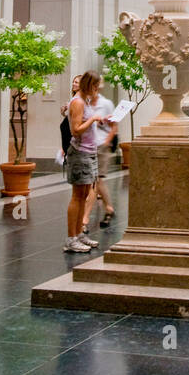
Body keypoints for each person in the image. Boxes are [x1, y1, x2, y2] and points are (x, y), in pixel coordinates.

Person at [63, 71, 105, 252]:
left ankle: (79, 233)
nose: (96, 90)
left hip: (89, 152)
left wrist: (99, 120)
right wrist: (94, 119)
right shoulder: (78, 102)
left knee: (85, 194)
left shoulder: (85, 101)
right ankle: (71, 238)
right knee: (77, 196)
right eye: (95, 87)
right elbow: (76, 130)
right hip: (79, 153)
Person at [82, 81, 117, 232]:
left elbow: (114, 126)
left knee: (96, 180)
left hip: (101, 145)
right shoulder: (85, 103)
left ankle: (85, 218)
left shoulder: (106, 103)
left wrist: (106, 142)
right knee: (96, 180)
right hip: (89, 145)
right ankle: (109, 208)